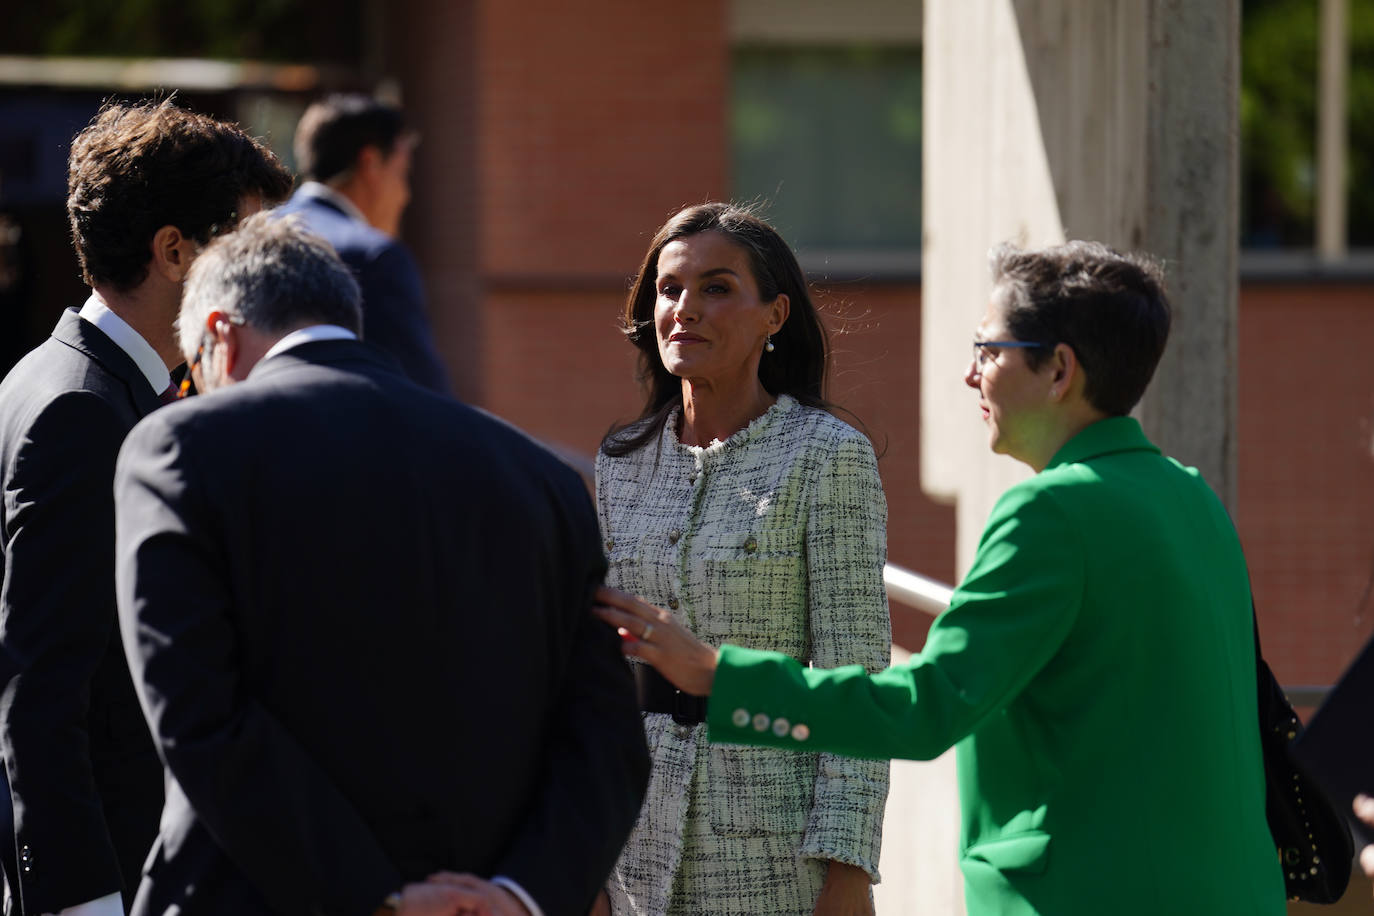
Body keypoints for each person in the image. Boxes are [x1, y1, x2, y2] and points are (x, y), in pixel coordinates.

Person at [597, 240, 1288, 915]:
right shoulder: (1192, 495)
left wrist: (719, 675)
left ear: (1059, 371)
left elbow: (925, 708)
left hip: (1090, 893)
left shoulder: (1049, 512)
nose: (971, 374)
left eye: (989, 351)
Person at [112, 213, 648, 916]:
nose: (198, 391)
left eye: (195, 376)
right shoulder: (537, 476)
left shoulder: (181, 449)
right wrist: (522, 894)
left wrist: (382, 898)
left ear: (219, 337)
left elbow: (199, 714)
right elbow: (606, 731)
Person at [0, 99, 292, 916]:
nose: (259, 282)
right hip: (109, 878)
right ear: (173, 251)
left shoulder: (66, 379)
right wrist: (83, 901)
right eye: (245, 250)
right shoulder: (79, 410)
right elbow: (41, 693)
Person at [595, 203, 890, 915]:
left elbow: (856, 680)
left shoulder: (828, 456)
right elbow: (595, 677)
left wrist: (847, 868)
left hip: (776, 851)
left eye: (717, 288)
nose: (685, 309)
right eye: (669, 290)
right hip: (631, 844)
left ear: (774, 315)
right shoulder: (621, 462)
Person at [274, 93, 450, 394]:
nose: (405, 194)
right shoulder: (375, 258)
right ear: (370, 163)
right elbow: (424, 396)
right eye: (402, 173)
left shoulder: (248, 233)